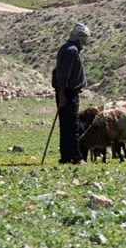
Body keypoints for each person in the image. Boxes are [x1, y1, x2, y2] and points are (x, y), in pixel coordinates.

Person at [53, 22, 90, 164]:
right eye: (84, 37)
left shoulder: (68, 48)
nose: (86, 40)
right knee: (72, 125)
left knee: (66, 125)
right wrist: (62, 94)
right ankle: (76, 157)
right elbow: (63, 74)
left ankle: (66, 156)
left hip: (67, 92)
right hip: (68, 93)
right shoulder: (72, 50)